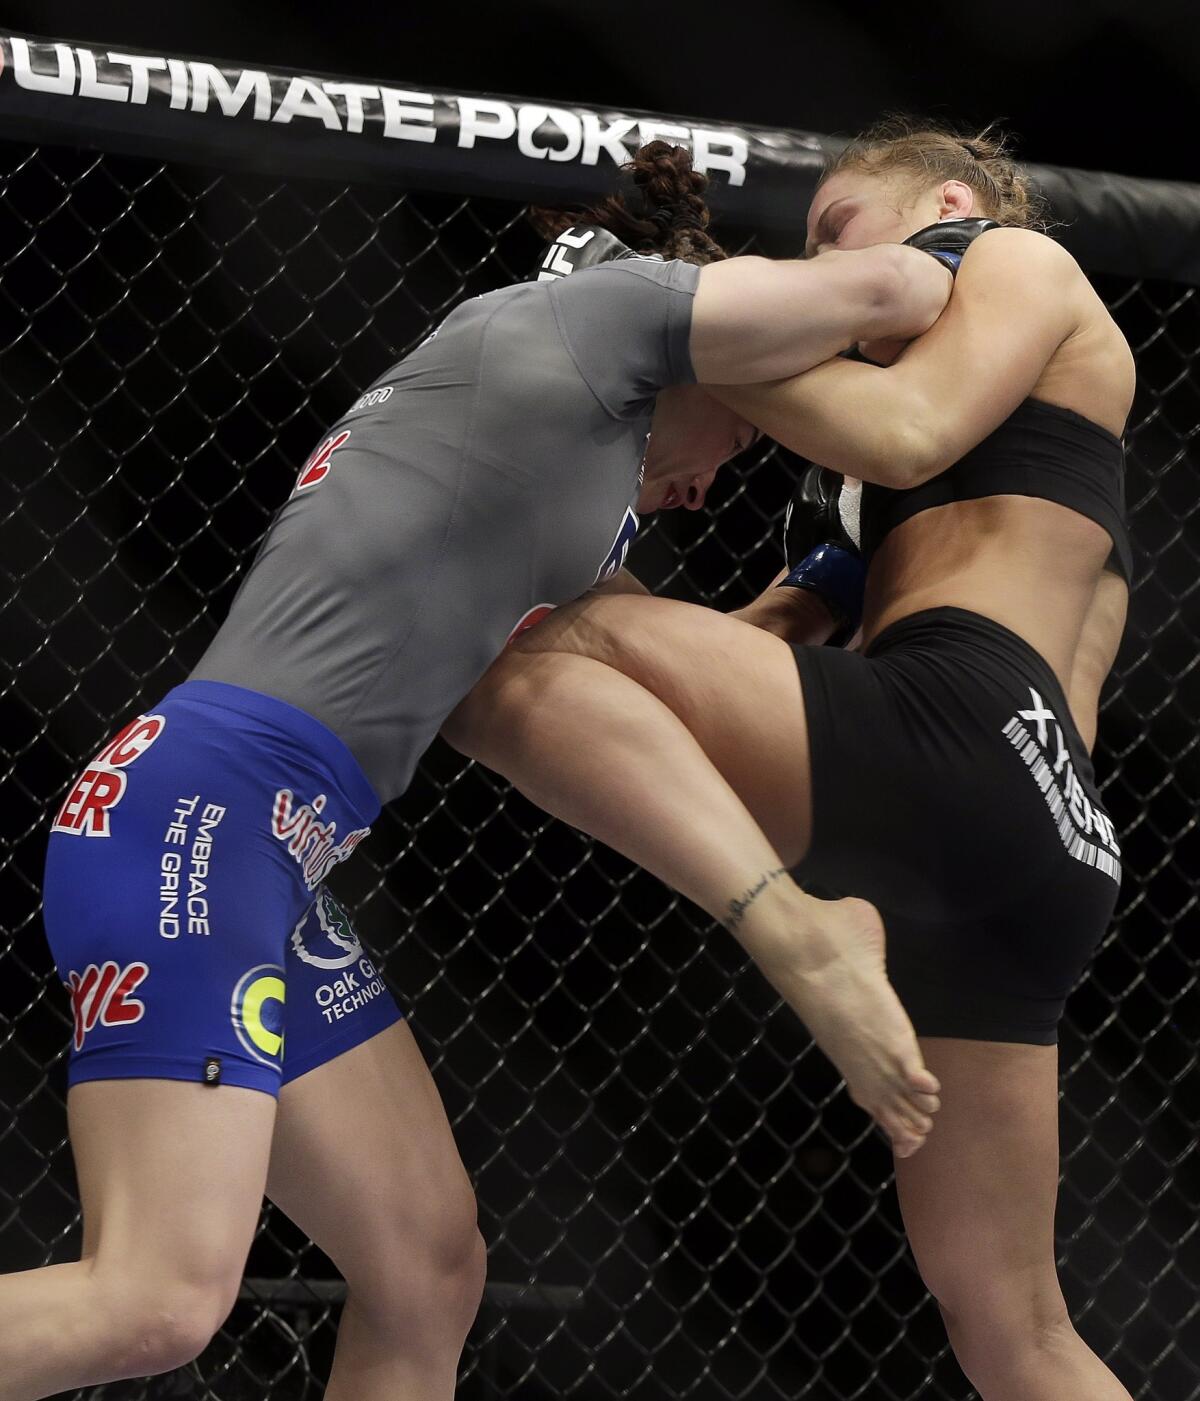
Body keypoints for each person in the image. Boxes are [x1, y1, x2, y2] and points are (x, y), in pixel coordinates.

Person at [4, 142, 953, 1401]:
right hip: (202, 813)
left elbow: (644, 691)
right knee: (159, 1298)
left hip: (267, 851)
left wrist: (827, 588)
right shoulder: (597, 317)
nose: (709, 486)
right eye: (751, 431)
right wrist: (988, 243)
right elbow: (896, 294)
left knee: (428, 1269)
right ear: (730, 351)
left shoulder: (562, 471)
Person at [444, 119, 1136, 1400]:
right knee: (1014, 1332)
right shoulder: (902, 489)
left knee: (517, 651)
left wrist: (646, 316)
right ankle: (807, 911)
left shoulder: (1019, 266)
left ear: (945, 200)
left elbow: (907, 430)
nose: (818, 266)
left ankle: (797, 924)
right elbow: (756, 647)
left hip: (967, 726)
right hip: (1041, 842)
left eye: (835, 233)